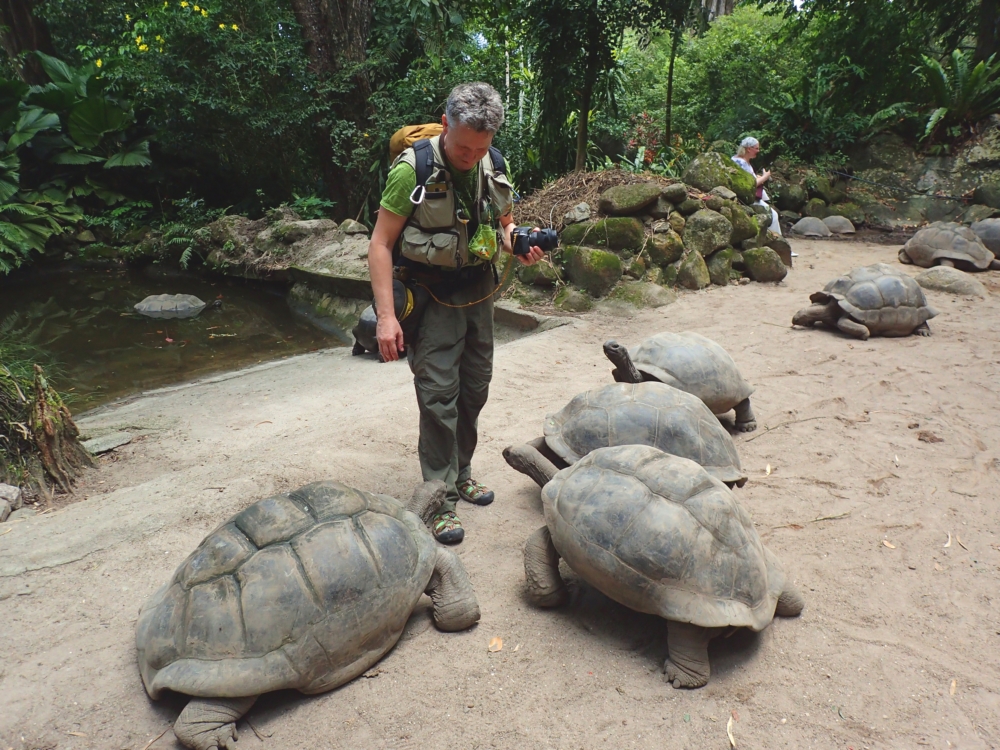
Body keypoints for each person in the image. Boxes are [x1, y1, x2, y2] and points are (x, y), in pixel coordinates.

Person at [367, 82, 545, 545]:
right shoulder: (414, 171)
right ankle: (438, 498)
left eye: (480, 148)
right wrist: (386, 318)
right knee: (438, 397)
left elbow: (503, 226)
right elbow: (380, 244)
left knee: (474, 389)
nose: (470, 156)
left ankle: (462, 470)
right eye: (463, 146)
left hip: (479, 297)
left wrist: (520, 242)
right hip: (431, 299)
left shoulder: (494, 162)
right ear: (446, 124)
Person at [732, 137, 782, 236]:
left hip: (747, 197)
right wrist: (765, 177)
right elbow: (751, 183)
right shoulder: (742, 163)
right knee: (773, 215)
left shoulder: (738, 160)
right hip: (748, 199)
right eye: (756, 148)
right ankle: (776, 241)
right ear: (749, 149)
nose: (758, 151)